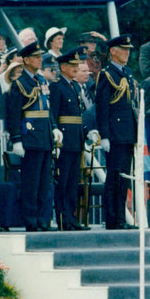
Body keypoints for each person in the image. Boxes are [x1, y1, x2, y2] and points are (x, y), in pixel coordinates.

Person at [6, 41, 59, 232]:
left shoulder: (42, 81)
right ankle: (31, 219)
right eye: (36, 57)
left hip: (45, 136)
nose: (39, 60)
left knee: (45, 181)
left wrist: (54, 127)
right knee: (31, 182)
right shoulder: (20, 83)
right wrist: (17, 139)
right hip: (30, 137)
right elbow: (12, 114)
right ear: (26, 60)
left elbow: (47, 107)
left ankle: (44, 219)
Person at [96, 34, 139, 230]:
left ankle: (120, 216)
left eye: (129, 49)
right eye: (124, 49)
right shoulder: (107, 74)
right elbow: (102, 107)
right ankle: (112, 219)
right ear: (113, 51)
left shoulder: (126, 72)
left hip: (127, 132)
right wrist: (104, 135)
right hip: (115, 134)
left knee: (124, 180)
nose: (127, 53)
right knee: (114, 178)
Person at [49, 48, 93, 231]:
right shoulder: (56, 86)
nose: (76, 68)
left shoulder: (74, 87)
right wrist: (55, 135)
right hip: (64, 141)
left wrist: (86, 132)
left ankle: (72, 218)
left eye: (77, 65)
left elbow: (78, 115)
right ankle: (63, 219)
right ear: (63, 67)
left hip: (76, 140)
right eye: (73, 65)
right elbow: (55, 114)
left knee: (73, 183)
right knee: (64, 182)